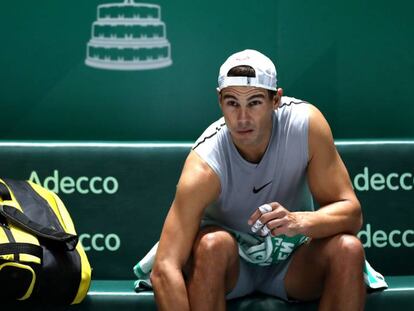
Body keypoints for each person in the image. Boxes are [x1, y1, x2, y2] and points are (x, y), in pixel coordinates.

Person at [150, 49, 366, 311]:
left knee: (349, 249)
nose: (242, 118)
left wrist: (298, 221)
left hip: (293, 263)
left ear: (276, 99)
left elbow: (352, 215)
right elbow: (164, 268)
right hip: (230, 270)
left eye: (254, 102)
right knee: (212, 245)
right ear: (220, 101)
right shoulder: (204, 164)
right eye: (232, 103)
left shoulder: (305, 126)